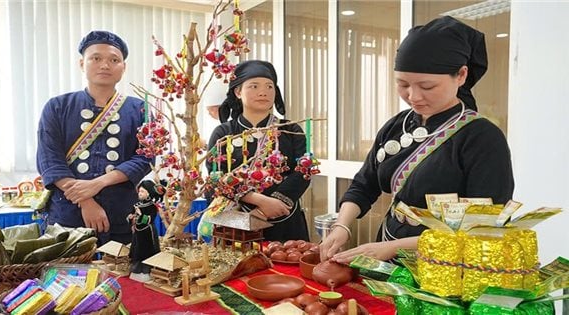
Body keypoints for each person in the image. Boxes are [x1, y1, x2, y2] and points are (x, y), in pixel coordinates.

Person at [319, 16, 514, 263]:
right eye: (402, 84)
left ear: (462, 75)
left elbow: (483, 227)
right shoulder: (396, 125)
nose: (413, 96)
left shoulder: (482, 138)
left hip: (443, 266)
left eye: (427, 86)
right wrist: (342, 226)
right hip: (386, 248)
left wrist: (395, 248)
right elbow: (364, 184)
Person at [36, 30, 153, 245]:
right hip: (67, 213)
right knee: (68, 276)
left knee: (120, 274)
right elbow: (49, 161)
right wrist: (86, 200)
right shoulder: (57, 106)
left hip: (120, 212)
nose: (105, 65)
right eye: (96, 58)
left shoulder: (140, 109)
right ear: (82, 64)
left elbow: (145, 159)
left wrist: (98, 183)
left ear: (123, 67)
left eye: (114, 60)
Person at [205, 60, 311, 242]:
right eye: (254, 86)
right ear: (238, 92)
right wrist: (259, 201)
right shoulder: (223, 133)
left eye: (270, 87)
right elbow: (217, 177)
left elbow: (303, 172)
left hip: (284, 217)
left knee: (286, 266)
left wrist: (268, 209)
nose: (263, 92)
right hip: (235, 219)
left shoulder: (291, 129)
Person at [127, 179, 165, 282]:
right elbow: (130, 217)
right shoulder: (137, 205)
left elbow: (149, 220)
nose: (140, 193)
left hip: (147, 233)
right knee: (137, 251)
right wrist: (131, 217)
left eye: (142, 191)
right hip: (138, 233)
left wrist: (139, 215)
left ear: (149, 193)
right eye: (139, 191)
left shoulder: (152, 207)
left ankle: (146, 271)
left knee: (146, 252)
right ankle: (136, 270)